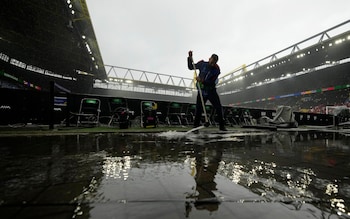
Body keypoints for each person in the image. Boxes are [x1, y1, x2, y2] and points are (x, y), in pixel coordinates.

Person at [187, 51, 227, 131]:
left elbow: (211, 83)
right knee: (199, 108)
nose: (212, 64)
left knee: (218, 107)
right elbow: (191, 67)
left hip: (211, 91)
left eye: (214, 63)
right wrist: (189, 58)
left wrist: (202, 81)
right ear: (209, 59)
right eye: (211, 62)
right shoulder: (202, 64)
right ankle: (195, 127)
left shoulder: (216, 70)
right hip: (202, 91)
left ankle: (222, 126)